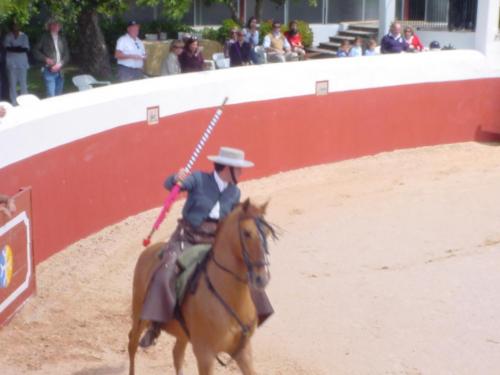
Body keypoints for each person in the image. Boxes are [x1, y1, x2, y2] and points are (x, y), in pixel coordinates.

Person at [139, 147, 274, 347]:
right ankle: (155, 325)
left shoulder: (234, 192)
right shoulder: (199, 179)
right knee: (166, 269)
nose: (241, 173)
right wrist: (177, 177)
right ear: (227, 168)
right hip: (188, 238)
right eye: (239, 169)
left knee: (245, 267)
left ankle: (254, 315)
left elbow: (233, 220)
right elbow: (171, 184)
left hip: (214, 242)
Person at [33, 18, 70, 97]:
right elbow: (35, 51)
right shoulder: (44, 37)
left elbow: (67, 55)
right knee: (51, 95)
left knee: (58, 95)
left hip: (60, 70)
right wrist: (46, 59)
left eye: (57, 25)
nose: (56, 26)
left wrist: (60, 64)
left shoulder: (62, 38)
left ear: (60, 27)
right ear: (49, 26)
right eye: (53, 24)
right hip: (49, 70)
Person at [3, 22, 30, 105]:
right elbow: (7, 48)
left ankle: (25, 101)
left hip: (22, 63)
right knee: (12, 83)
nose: (15, 26)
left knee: (23, 83)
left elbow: (25, 49)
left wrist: (13, 48)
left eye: (17, 25)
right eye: (14, 25)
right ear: (12, 26)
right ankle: (14, 102)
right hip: (11, 63)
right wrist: (18, 48)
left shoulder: (24, 36)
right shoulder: (8, 36)